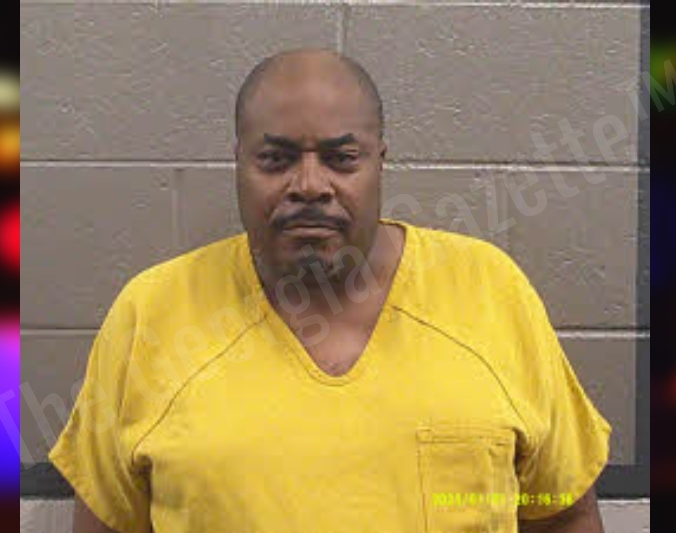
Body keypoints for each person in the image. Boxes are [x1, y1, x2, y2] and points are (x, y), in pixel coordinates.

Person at [49, 48, 611, 533]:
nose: (310, 185)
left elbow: (562, 514)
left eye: (342, 159)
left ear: (379, 164)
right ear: (238, 164)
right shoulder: (153, 313)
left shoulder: (489, 291)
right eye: (276, 159)